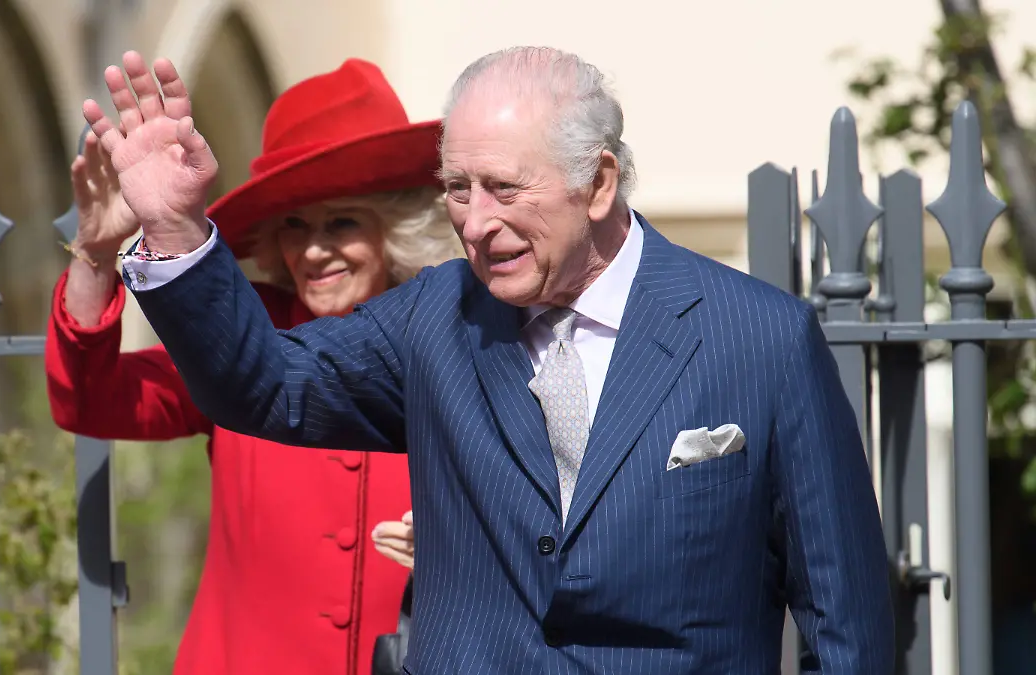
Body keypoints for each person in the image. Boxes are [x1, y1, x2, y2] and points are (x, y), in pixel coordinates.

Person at [82, 46, 895, 674]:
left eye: (503, 188)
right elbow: (264, 384)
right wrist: (179, 231)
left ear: (599, 183)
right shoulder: (435, 317)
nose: (473, 221)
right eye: (457, 188)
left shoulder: (761, 339)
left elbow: (845, 622)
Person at [45, 58, 462, 675]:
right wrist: (97, 256)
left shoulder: (456, 335)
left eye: (341, 222)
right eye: (294, 227)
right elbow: (92, 399)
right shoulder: (244, 330)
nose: (314, 250)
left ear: (394, 229)